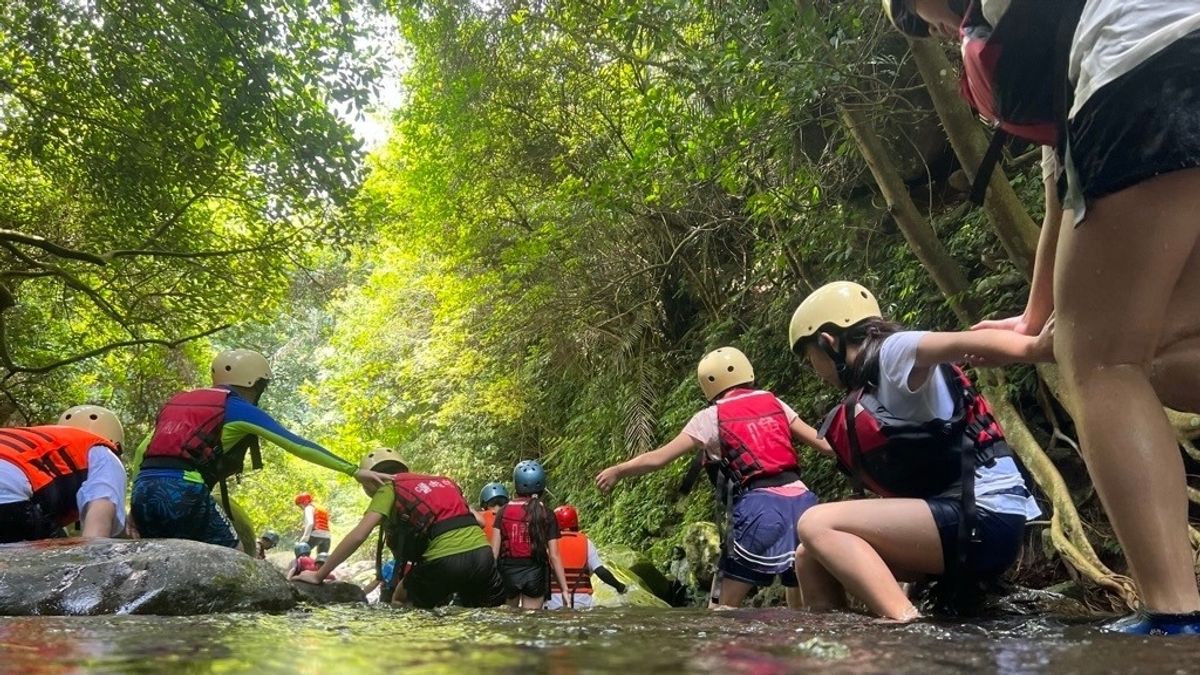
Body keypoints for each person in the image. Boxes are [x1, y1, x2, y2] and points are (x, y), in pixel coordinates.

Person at [886, 0, 1200, 637]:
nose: (933, 30)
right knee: (1170, 350)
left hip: (1146, 67)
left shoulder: (1042, 30)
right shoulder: (1046, 40)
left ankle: (1175, 616)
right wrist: (1035, 319)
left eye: (918, 15)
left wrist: (1048, 343)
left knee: (1106, 365)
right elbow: (1063, 180)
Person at [787, 281, 1045, 621]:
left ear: (828, 341)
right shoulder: (875, 379)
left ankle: (909, 626)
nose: (816, 373)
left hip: (984, 516)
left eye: (811, 361)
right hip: (963, 520)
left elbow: (960, 343)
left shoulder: (891, 352)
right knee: (809, 557)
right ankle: (838, 648)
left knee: (815, 523)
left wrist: (1036, 348)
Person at [596, 347, 823, 609]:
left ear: (708, 383)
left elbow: (659, 458)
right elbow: (825, 444)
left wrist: (618, 470)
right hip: (805, 505)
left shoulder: (709, 417)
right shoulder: (774, 403)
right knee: (798, 593)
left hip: (760, 511)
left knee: (722, 609)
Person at [129, 349, 390, 549]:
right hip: (184, 489)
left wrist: (135, 506)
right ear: (254, 383)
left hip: (143, 490)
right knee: (236, 556)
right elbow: (297, 444)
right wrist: (352, 470)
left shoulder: (182, 404)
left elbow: (143, 450)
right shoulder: (237, 408)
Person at [294, 448, 505, 609]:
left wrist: (319, 575)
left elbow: (359, 535)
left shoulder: (388, 487)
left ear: (370, 480)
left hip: (445, 561)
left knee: (401, 599)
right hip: (483, 557)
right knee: (485, 612)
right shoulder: (443, 482)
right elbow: (479, 522)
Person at [0, 406, 126, 542]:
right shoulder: (105, 453)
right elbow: (99, 523)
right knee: (56, 551)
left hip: (10, 484)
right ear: (117, 444)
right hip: (7, 491)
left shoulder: (40, 438)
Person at [493, 460, 571, 610]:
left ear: (516, 485)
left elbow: (494, 553)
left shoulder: (503, 511)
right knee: (532, 621)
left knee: (509, 619)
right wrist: (564, 589)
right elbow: (554, 556)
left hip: (508, 573)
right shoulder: (547, 513)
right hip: (535, 573)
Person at [545, 504, 627, 609]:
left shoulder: (549, 543)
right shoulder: (586, 542)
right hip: (582, 601)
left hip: (554, 601)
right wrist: (619, 587)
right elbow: (600, 571)